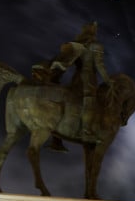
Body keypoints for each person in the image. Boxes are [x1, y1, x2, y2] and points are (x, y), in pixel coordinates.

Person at [40, 21, 111, 151]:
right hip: (89, 79)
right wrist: (108, 81)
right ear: (93, 32)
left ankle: (57, 138)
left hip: (77, 77)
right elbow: (100, 66)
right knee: (90, 101)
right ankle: (87, 131)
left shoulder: (79, 44)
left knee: (71, 98)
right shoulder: (96, 46)